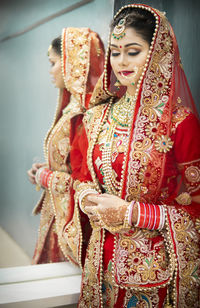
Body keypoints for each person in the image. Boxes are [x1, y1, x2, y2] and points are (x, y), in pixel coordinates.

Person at [69, 4, 200, 307]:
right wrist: (88, 198)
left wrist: (132, 213)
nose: (121, 62)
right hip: (98, 265)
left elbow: (196, 205)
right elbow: (82, 178)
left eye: (133, 51)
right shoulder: (97, 117)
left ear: (156, 54)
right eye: (115, 52)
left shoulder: (180, 124)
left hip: (152, 276)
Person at [27, 27, 104, 264]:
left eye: (53, 62)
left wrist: (44, 177)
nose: (50, 71)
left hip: (73, 219)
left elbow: (87, 184)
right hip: (57, 211)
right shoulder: (72, 108)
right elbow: (69, 164)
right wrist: (47, 167)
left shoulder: (86, 114)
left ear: (71, 62)